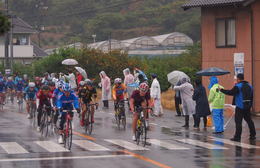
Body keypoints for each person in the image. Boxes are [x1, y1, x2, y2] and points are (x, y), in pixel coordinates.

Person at [220, 73, 256, 141]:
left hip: (240, 107)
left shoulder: (238, 86)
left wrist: (221, 90)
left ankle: (237, 137)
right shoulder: (250, 86)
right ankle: (253, 135)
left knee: (238, 122)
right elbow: (252, 97)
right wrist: (249, 105)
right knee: (249, 121)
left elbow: (230, 92)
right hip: (247, 107)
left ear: (238, 79)